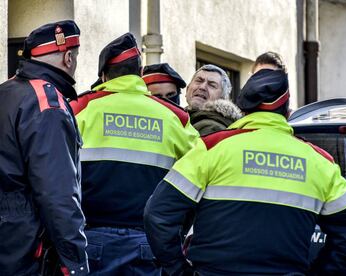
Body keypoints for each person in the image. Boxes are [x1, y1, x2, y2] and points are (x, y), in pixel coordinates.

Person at [144, 68, 346, 275]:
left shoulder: (211, 148)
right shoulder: (320, 162)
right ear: (288, 112)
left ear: (243, 110)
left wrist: (179, 270)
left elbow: (158, 214)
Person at [70, 33, 199, 275]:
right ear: (139, 74)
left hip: (92, 239)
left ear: (104, 76)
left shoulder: (81, 108)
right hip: (149, 242)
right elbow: (199, 178)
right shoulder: (175, 118)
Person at [0, 20, 88, 276]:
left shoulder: (6, 92)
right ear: (68, 58)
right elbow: (58, 195)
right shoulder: (47, 105)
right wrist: (76, 264)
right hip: (25, 248)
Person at [185, 64, 242, 135]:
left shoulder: (213, 128)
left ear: (222, 99)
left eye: (212, 85)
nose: (202, 87)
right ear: (187, 90)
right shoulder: (180, 118)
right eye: (199, 81)